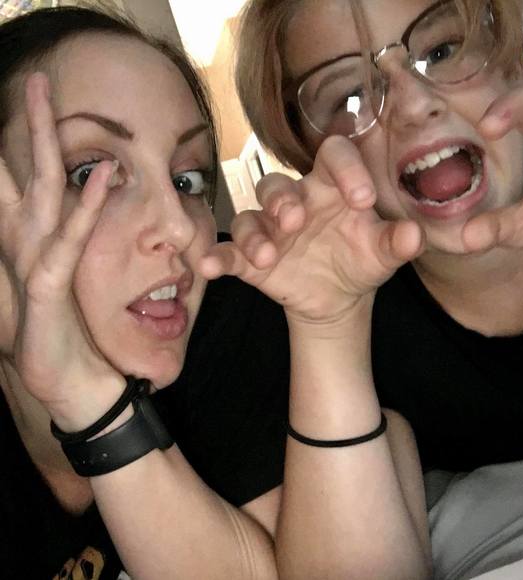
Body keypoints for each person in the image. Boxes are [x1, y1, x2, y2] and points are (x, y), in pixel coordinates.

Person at [0, 5, 431, 579]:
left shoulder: (223, 318)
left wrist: (90, 404)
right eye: (89, 174)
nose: (181, 228)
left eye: (187, 180)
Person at [231, 0, 523, 575]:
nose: (415, 105)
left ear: (513, 58)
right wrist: (327, 329)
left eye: (441, 51)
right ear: (314, 160)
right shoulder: (338, 320)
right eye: (350, 96)